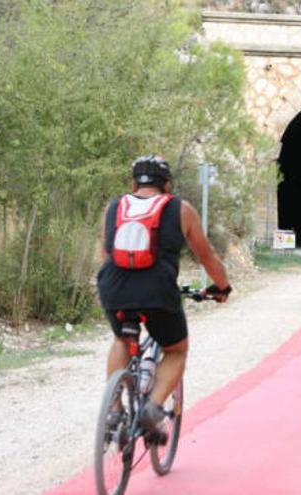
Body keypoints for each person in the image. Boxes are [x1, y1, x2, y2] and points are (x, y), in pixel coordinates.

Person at [97, 154, 232, 442]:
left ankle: (114, 409)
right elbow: (206, 255)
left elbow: (106, 255)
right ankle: (153, 406)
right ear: (167, 185)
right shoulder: (180, 209)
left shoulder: (113, 208)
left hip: (114, 288)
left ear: (134, 183)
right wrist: (222, 287)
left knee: (122, 339)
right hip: (157, 292)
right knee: (176, 349)